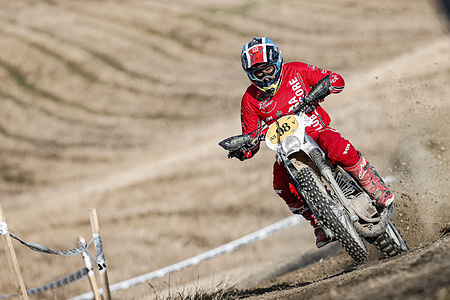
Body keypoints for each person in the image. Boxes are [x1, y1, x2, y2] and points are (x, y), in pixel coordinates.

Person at [228, 37, 394, 248]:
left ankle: (372, 184)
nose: (265, 76)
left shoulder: (296, 70)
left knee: (338, 146)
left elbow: (335, 79)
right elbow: (250, 138)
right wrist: (242, 149)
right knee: (280, 186)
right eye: (258, 73)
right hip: (285, 151)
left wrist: (324, 86)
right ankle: (317, 221)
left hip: (316, 132)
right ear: (250, 74)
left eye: (268, 69)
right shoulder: (250, 99)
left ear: (277, 62)